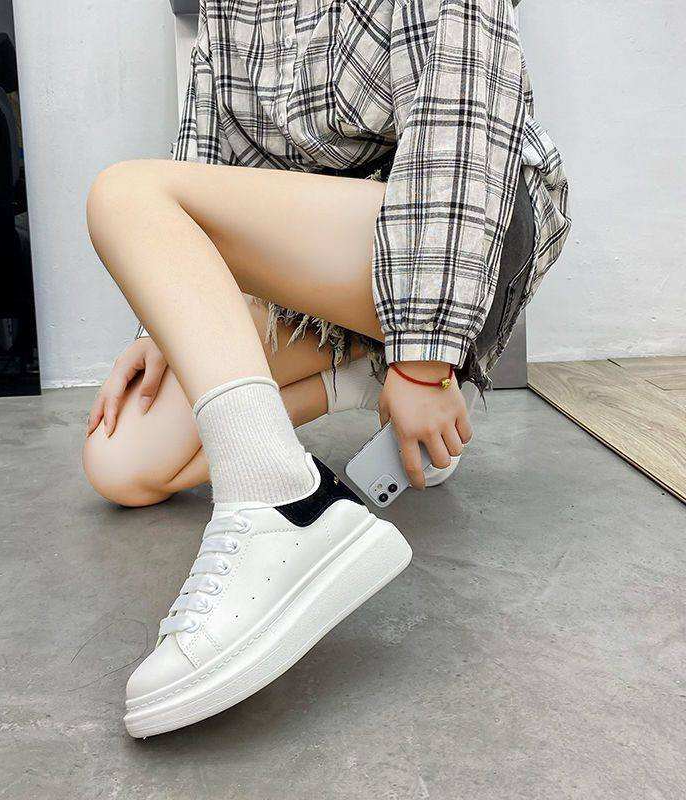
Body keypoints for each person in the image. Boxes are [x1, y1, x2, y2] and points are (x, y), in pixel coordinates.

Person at [83, 0, 570, 737]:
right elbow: (205, 162)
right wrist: (166, 318)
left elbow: (462, 136)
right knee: (121, 461)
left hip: (467, 229)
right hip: (323, 266)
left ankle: (280, 504)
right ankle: (353, 382)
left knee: (123, 193)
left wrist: (426, 361)